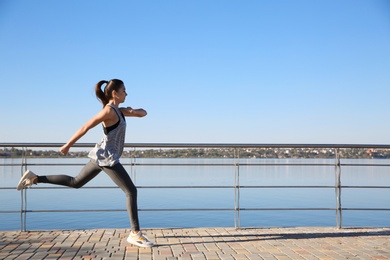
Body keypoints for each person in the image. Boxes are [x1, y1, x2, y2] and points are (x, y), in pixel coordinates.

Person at [16, 79, 154, 248]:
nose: (126, 93)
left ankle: (35, 178)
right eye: (124, 90)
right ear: (115, 93)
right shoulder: (108, 111)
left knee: (76, 182)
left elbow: (143, 113)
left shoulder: (119, 111)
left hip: (101, 156)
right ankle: (135, 233)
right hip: (107, 158)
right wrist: (68, 145)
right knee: (131, 190)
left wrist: (131, 111)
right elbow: (85, 127)